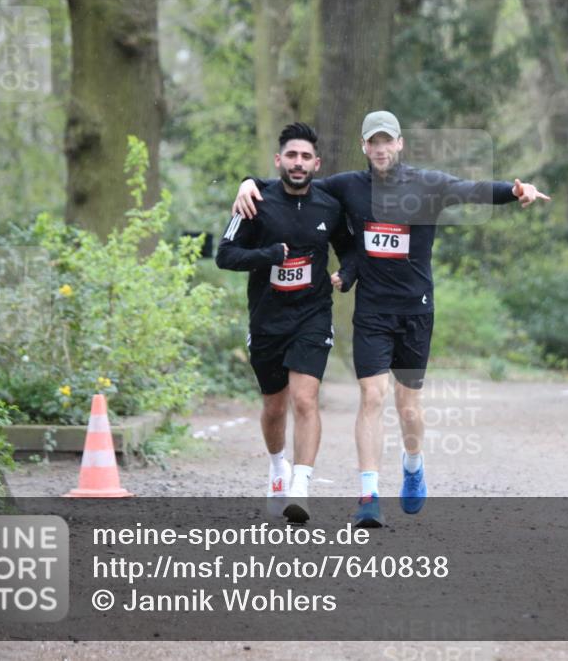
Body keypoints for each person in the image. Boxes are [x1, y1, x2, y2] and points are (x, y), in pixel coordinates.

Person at [232, 111, 549, 528]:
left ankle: (413, 463)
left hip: (416, 310)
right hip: (372, 311)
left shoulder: (427, 184)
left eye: (388, 141)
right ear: (364, 147)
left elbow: (470, 190)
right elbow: (297, 182)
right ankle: (369, 495)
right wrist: (250, 184)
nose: (380, 149)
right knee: (373, 397)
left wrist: (514, 190)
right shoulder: (348, 186)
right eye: (373, 142)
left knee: (408, 406)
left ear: (399, 144)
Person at [216, 123, 355, 524]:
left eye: (305, 157)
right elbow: (225, 256)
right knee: (274, 407)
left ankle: (301, 485)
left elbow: (350, 250)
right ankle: (278, 467)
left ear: (317, 163)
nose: (298, 163)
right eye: (291, 156)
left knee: (305, 399)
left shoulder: (329, 204)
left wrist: (347, 274)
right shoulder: (255, 200)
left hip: (312, 314)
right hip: (266, 319)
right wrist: (269, 255)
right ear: (279, 160)